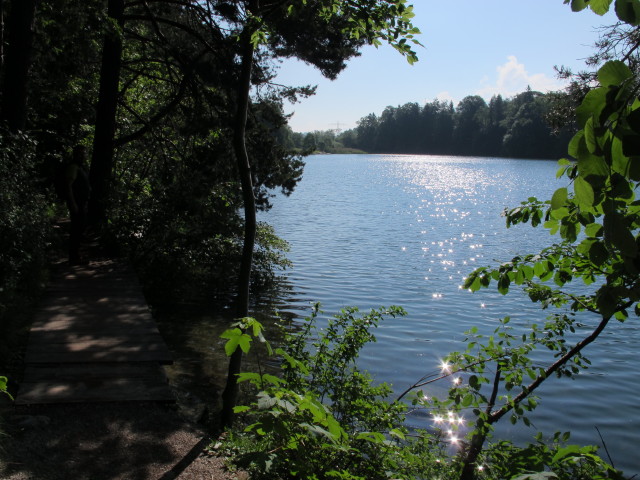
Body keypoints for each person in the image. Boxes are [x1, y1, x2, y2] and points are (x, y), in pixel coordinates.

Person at [65, 145, 91, 265]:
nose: (83, 156)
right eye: (81, 154)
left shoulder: (81, 168)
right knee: (77, 229)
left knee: (80, 228)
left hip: (81, 203)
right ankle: (74, 257)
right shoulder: (73, 167)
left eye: (84, 153)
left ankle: (77, 255)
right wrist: (73, 203)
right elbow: (68, 187)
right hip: (77, 203)